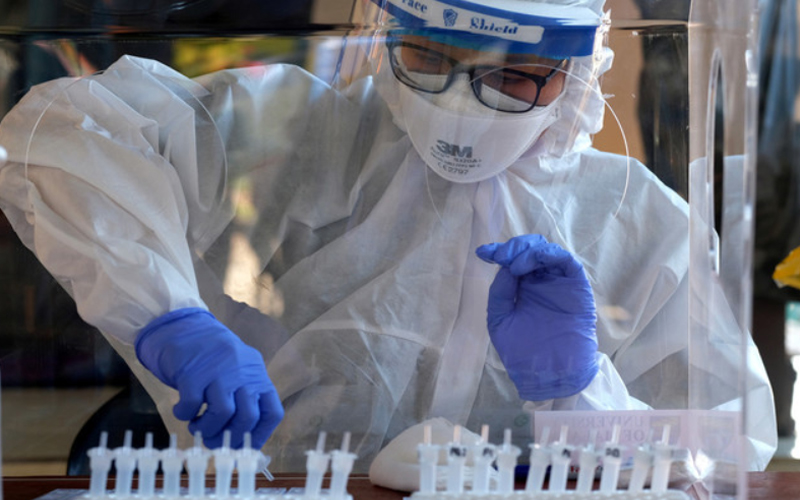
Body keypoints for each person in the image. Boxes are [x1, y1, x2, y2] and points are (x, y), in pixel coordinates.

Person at [0, 0, 776, 473]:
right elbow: (62, 135)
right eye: (428, 57)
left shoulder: (639, 226)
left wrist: (579, 392)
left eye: (514, 75)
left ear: (578, 69)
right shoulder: (295, 135)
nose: (458, 102)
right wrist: (168, 316)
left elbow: (730, 452)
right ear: (387, 34)